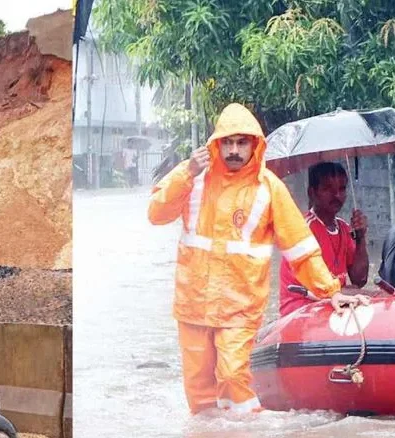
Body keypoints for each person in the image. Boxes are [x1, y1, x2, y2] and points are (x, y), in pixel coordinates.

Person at [148, 102, 368, 415]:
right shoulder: (193, 177)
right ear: (216, 143)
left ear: (254, 145)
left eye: (241, 143)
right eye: (227, 142)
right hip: (193, 305)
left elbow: (300, 247)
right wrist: (186, 172)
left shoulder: (268, 189)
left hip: (240, 308)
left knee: (233, 377)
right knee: (199, 393)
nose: (234, 150)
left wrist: (331, 292)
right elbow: (156, 213)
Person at [279, 162, 369, 316]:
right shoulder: (303, 229)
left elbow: (359, 280)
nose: (337, 195)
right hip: (301, 310)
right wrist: (350, 292)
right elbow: (313, 289)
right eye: (328, 189)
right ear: (312, 192)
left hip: (333, 304)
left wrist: (360, 237)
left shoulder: (344, 227)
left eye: (342, 189)